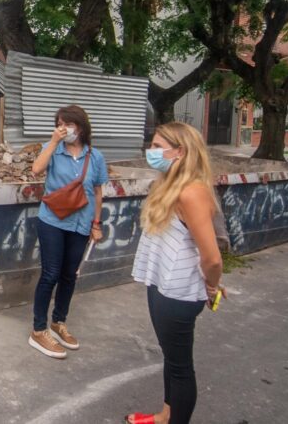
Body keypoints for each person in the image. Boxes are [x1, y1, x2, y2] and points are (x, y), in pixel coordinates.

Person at [126, 122, 225, 424]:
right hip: (161, 283)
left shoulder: (192, 192)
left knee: (180, 366)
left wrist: (213, 286)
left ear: (180, 151)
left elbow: (212, 257)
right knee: (171, 358)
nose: (151, 151)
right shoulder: (169, 184)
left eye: (158, 146)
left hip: (179, 291)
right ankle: (165, 415)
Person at [29, 105, 108, 359]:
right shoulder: (52, 149)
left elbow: (97, 192)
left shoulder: (94, 157)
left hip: (81, 224)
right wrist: (52, 142)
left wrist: (96, 224)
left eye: (69, 124)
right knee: (50, 274)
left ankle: (58, 322)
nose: (64, 128)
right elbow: (36, 170)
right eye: (60, 123)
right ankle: (38, 330)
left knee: (69, 275)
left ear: (81, 127)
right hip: (52, 221)